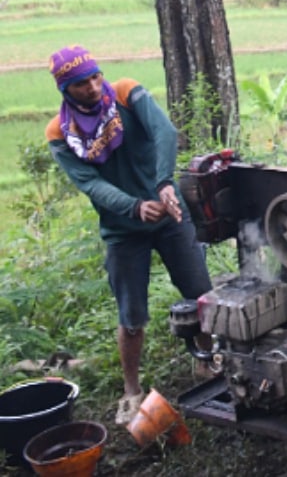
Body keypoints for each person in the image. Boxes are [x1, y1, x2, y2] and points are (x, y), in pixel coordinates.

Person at [44, 46, 214, 426]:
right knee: (131, 314)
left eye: (94, 77)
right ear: (64, 90)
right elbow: (89, 183)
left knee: (201, 293)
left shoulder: (125, 92)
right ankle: (131, 389)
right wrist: (134, 207)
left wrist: (164, 183)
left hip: (169, 212)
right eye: (80, 84)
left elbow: (164, 131)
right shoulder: (60, 133)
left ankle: (206, 361)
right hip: (123, 230)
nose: (91, 87)